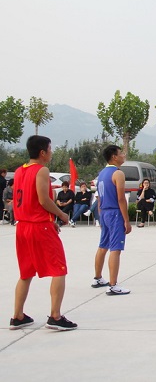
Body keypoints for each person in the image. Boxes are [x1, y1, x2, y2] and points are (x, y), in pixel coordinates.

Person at [10, 135, 77, 331]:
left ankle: (17, 316)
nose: (51, 152)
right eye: (50, 149)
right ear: (42, 152)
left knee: (25, 272)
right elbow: (43, 200)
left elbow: (29, 200)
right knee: (59, 269)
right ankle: (55, 316)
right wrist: (61, 215)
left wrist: (50, 220)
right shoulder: (41, 170)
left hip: (22, 226)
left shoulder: (19, 171)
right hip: (39, 227)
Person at [92, 145, 132, 295]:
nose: (123, 155)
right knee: (115, 248)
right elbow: (121, 198)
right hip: (115, 213)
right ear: (114, 157)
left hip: (104, 212)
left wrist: (101, 214)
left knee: (103, 246)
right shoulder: (118, 173)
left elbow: (99, 198)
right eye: (121, 153)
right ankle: (113, 285)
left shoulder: (102, 173)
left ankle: (97, 278)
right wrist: (126, 220)